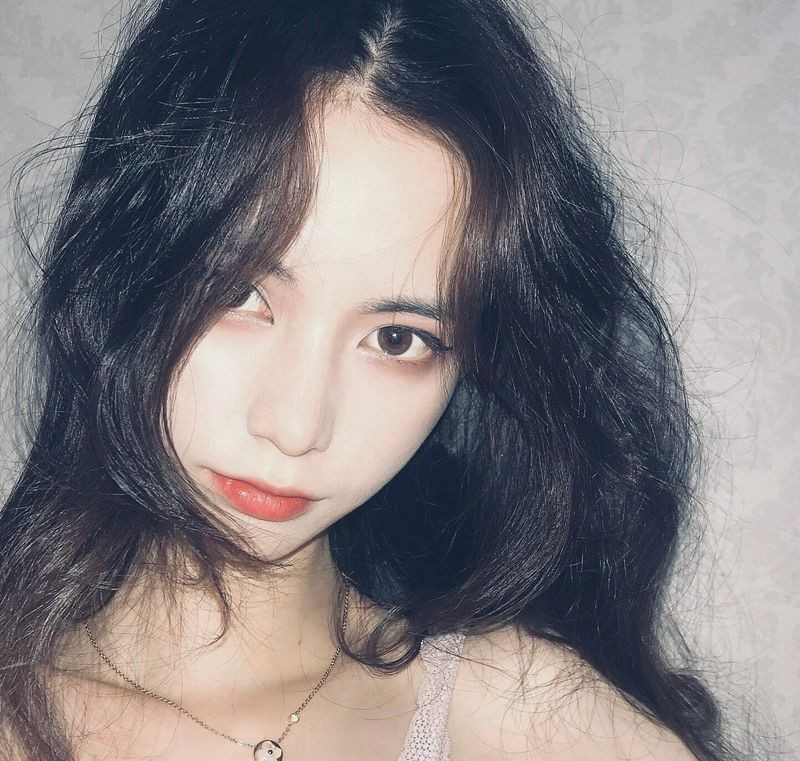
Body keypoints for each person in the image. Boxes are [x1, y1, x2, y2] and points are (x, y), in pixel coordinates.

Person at [0, 1, 754, 759]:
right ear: (123, 270)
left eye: (397, 339)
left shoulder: (536, 719)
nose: (295, 426)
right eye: (239, 293)